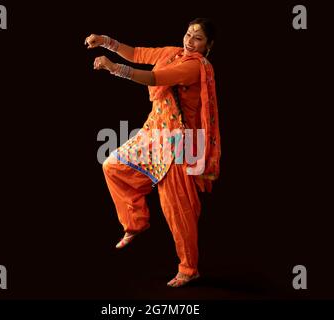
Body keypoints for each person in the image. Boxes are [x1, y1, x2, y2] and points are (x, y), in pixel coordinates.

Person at [85, 18, 221, 288]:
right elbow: (137, 54)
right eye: (188, 34)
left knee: (177, 207)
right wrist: (104, 40)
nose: (190, 41)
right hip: (154, 132)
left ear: (208, 46)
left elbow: (156, 77)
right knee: (112, 166)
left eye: (198, 38)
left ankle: (189, 268)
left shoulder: (194, 66)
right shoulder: (172, 53)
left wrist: (115, 69)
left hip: (180, 142)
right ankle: (135, 222)